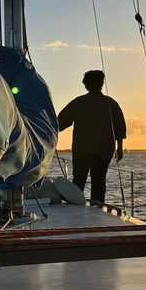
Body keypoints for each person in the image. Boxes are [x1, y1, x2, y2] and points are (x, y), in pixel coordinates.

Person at [58, 70, 126, 203]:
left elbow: (60, 122)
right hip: (103, 150)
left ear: (85, 84)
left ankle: (75, 205)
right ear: (102, 84)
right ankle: (98, 207)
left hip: (81, 150)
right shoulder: (111, 103)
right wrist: (119, 149)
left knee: (78, 180)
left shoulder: (78, 102)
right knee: (99, 181)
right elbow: (120, 128)